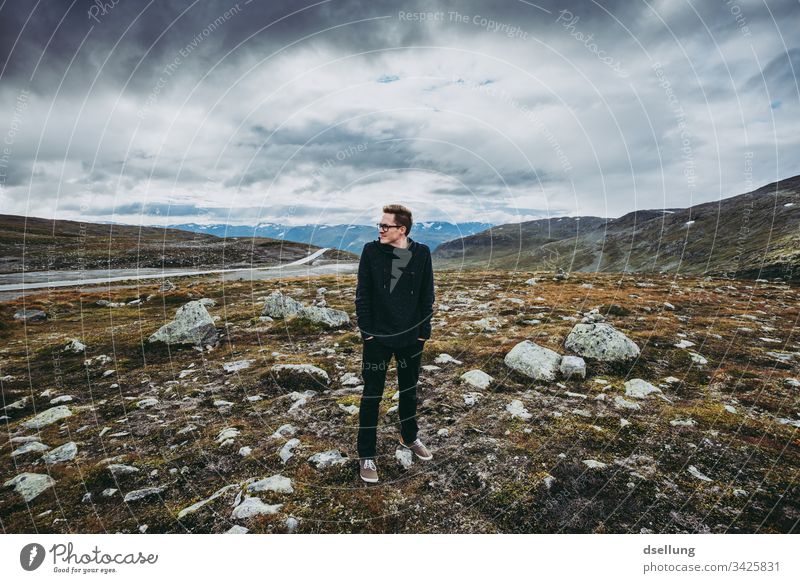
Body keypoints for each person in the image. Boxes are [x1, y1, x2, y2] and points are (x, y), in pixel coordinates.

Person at [354, 204, 435, 483]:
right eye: (379, 225)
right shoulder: (371, 251)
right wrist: (367, 333)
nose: (380, 229)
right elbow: (362, 293)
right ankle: (366, 454)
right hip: (377, 339)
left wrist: (423, 332)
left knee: (409, 390)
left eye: (385, 226)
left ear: (402, 230)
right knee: (372, 396)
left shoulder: (421, 253)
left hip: (411, 339)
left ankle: (409, 436)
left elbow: (427, 295)